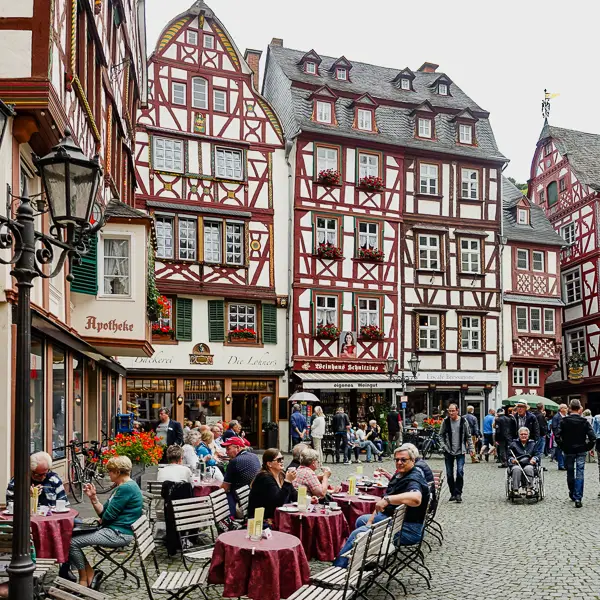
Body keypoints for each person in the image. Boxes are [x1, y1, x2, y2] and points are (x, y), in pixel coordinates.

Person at [333, 445, 430, 568]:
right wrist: (370, 522)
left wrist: (388, 500)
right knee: (361, 520)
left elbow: (416, 498)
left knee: (357, 533)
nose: (399, 462)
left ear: (413, 461)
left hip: (409, 529)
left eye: (403, 460)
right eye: (397, 459)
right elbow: (382, 502)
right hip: (395, 521)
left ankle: (339, 569)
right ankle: (365, 559)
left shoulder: (414, 478)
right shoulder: (400, 475)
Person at [67, 455, 143, 588]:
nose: (109, 474)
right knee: (71, 536)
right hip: (114, 530)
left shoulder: (126, 488)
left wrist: (103, 517)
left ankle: (84, 577)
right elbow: (104, 513)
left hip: (118, 534)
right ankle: (88, 573)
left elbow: (106, 517)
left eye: (110, 471)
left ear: (118, 472)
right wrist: (93, 498)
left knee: (72, 543)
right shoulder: (123, 486)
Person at [556, 399, 596, 508]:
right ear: (579, 409)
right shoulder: (584, 422)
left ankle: (572, 493)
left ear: (569, 408)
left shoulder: (564, 421)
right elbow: (593, 438)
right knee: (580, 472)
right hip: (581, 449)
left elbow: (557, 436)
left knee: (570, 472)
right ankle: (578, 497)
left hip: (568, 450)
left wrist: (562, 446)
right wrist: (587, 447)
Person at [248, 449, 298, 524]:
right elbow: (277, 503)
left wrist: (308, 499)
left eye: (282, 458)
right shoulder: (264, 478)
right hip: (261, 520)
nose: (282, 461)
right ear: (269, 464)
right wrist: (287, 481)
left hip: (277, 516)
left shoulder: (281, 474)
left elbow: (294, 496)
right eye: (279, 460)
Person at [439, 403, 474, 503]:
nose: (451, 413)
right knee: (449, 474)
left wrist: (471, 449)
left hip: (460, 450)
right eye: (449, 411)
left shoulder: (463, 421)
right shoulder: (445, 422)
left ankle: (458, 493)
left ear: (457, 411)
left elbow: (468, 436)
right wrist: (444, 446)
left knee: (459, 472)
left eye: (453, 411)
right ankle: (452, 493)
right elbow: (440, 435)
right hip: (448, 451)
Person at [221, 437, 261, 516]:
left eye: (228, 449)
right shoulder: (254, 456)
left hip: (240, 499)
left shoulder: (234, 462)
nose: (226, 452)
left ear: (238, 447)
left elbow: (225, 488)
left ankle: (229, 519)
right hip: (254, 495)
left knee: (221, 496)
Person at [508, 427, 541, 498]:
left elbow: (537, 454)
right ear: (519, 435)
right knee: (516, 469)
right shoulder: (513, 444)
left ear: (528, 435)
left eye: (525, 434)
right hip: (517, 463)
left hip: (529, 463)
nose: (523, 436)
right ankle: (515, 490)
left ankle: (529, 489)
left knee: (528, 469)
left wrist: (534, 459)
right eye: (521, 434)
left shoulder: (533, 444)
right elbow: (509, 456)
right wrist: (512, 460)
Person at [551, 404, 568, 470]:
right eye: (565, 408)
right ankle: (561, 465)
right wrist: (558, 437)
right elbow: (554, 427)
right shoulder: (556, 417)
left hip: (566, 437)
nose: (567, 409)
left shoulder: (567, 416)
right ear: (561, 409)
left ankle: (566, 464)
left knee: (566, 451)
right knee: (559, 451)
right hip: (560, 437)